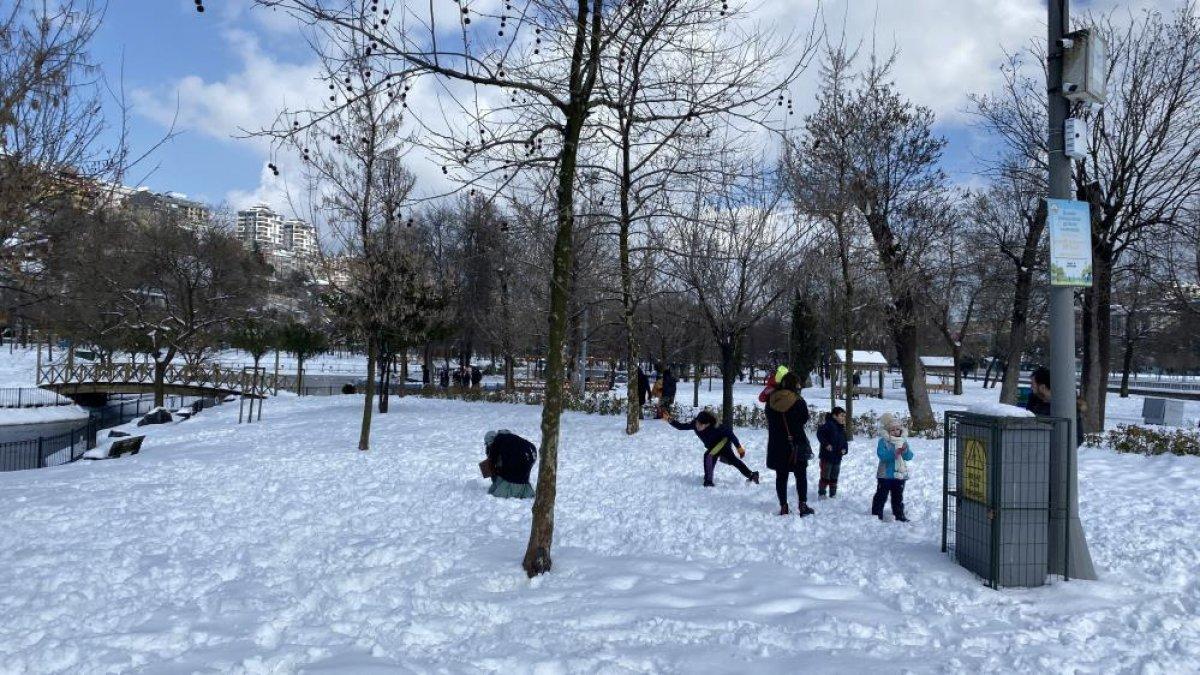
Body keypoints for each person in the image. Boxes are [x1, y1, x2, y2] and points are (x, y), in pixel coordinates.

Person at [667, 409, 759, 487]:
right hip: (712, 446)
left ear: (707, 424)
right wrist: (670, 420)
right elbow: (681, 427)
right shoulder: (695, 424)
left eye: (701, 425)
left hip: (723, 444)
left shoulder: (717, 427)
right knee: (728, 460)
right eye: (698, 423)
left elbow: (731, 435)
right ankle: (752, 475)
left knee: (709, 456)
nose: (698, 426)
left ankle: (708, 481)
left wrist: (739, 448)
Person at [765, 372, 814, 516]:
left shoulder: (771, 400)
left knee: (781, 476)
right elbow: (804, 419)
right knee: (801, 475)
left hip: (777, 444)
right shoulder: (798, 401)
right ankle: (803, 505)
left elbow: (769, 419)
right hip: (796, 443)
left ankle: (784, 506)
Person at [1026, 365, 1086, 446]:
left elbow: (1078, 437)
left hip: (1058, 451)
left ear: (1043, 387)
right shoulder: (1033, 401)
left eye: (1033, 385)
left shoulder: (1068, 405)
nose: (1031, 387)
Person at [871, 413, 913, 522]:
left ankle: (899, 514)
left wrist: (905, 451)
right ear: (888, 431)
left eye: (897, 429)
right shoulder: (883, 442)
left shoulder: (903, 442)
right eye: (892, 430)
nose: (895, 432)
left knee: (898, 497)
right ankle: (876, 514)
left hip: (899, 475)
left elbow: (909, 457)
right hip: (885, 475)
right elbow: (882, 455)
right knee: (881, 495)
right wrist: (894, 453)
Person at [482, 429, 537, 498]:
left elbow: (492, 463)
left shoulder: (497, 441)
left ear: (490, 442)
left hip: (517, 464)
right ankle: (524, 490)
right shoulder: (513, 440)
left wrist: (495, 479)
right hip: (531, 454)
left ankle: (510, 488)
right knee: (520, 474)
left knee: (496, 492)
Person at [817, 406, 849, 499]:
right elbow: (820, 433)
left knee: (834, 476)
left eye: (844, 416)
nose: (843, 418)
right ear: (834, 416)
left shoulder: (841, 428)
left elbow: (844, 442)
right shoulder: (829, 424)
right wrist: (826, 444)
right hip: (827, 457)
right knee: (825, 476)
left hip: (837, 457)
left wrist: (844, 449)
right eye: (841, 416)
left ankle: (833, 493)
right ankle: (822, 493)